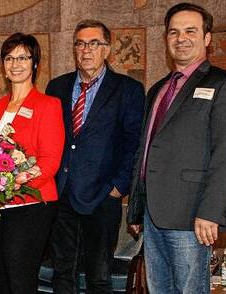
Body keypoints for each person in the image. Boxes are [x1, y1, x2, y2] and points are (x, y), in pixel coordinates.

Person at [127, 3, 226, 293]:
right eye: (174, 32)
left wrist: (210, 211)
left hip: (193, 216)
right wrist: (136, 209)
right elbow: (146, 151)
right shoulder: (158, 89)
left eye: (190, 31)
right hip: (153, 215)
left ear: (206, 38)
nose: (181, 38)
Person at [46, 19, 145, 293]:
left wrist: (118, 188)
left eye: (94, 43)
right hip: (61, 195)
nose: (86, 50)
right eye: (80, 43)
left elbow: (134, 143)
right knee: (61, 274)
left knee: (99, 278)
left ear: (107, 49)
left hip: (102, 196)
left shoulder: (128, 89)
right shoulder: (57, 87)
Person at [0, 32, 65, 294]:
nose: (15, 64)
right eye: (9, 58)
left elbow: (50, 161)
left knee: (21, 282)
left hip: (30, 205)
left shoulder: (48, 105)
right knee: (2, 281)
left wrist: (14, 183)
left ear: (35, 64)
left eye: (22, 57)